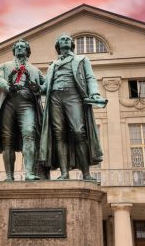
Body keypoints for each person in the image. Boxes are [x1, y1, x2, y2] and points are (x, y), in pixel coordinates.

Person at [39, 34, 106, 180]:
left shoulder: (81, 59)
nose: (65, 40)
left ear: (71, 44)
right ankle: (64, 173)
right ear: (58, 45)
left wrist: (94, 93)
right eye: (62, 39)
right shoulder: (52, 65)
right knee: (58, 134)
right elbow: (45, 88)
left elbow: (90, 77)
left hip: (73, 96)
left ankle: (86, 173)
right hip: (55, 98)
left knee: (78, 131)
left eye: (67, 39)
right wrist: (35, 87)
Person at [0, 39, 44, 181]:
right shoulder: (4, 66)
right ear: (14, 51)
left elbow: (45, 87)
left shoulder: (34, 70)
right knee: (7, 139)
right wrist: (8, 87)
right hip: (8, 102)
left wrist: (37, 89)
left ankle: (29, 173)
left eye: (23, 47)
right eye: (17, 47)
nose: (20, 49)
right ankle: (9, 176)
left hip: (27, 104)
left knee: (29, 133)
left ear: (27, 51)